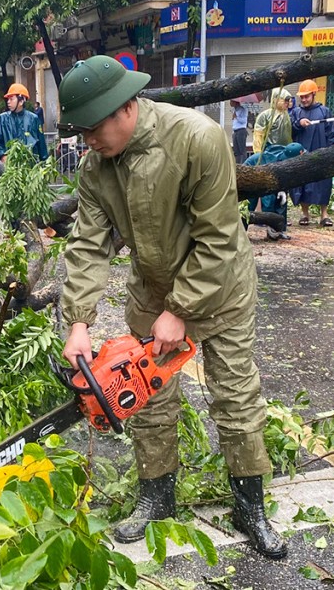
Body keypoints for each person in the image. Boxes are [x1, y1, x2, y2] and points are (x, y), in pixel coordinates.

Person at [57, 55, 287, 559]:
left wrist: (181, 308)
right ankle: (156, 500)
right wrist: (78, 321)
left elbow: (220, 237)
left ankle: (251, 506)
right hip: (153, 289)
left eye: (92, 129)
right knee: (147, 398)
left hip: (220, 290)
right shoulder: (97, 167)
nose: (87, 141)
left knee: (234, 396)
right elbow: (89, 245)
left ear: (125, 107)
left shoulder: (195, 139)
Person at [290, 79, 334, 227]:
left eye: (307, 96)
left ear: (313, 94)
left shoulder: (324, 111)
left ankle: (324, 214)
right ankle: (305, 214)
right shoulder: (296, 112)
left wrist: (330, 151)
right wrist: (299, 124)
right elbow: (290, 130)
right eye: (302, 97)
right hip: (302, 153)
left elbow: (331, 133)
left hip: (321, 151)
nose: (304, 100)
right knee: (303, 184)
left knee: (323, 183)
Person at [245, 142, 304, 240]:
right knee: (252, 204)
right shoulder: (275, 162)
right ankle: (241, 232)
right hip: (251, 174)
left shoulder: (289, 161)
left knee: (280, 203)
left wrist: (282, 190)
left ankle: (278, 231)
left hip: (268, 179)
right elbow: (267, 197)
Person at [0, 83, 48, 162]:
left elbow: (41, 145)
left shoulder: (33, 119)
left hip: (30, 166)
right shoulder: (3, 119)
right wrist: (2, 155)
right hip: (9, 166)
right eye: (8, 99)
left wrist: (44, 165)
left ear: (21, 101)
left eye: (11, 99)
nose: (8, 102)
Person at [252, 88, 293, 154]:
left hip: (286, 153)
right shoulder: (265, 116)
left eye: (288, 101)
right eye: (285, 100)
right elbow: (258, 136)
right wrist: (258, 154)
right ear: (276, 99)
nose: (287, 103)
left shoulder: (287, 115)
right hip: (270, 154)